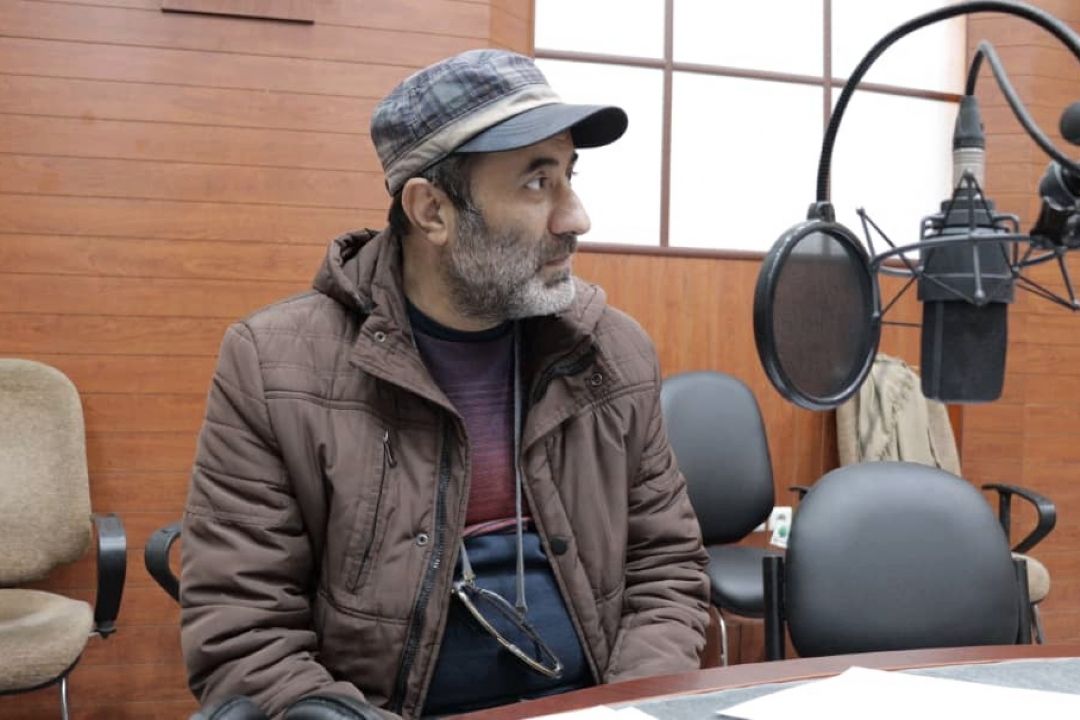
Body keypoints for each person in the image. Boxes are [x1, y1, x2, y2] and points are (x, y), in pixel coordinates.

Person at [180, 48, 710, 720]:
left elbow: (666, 570)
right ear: (431, 210)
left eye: (569, 175)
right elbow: (244, 628)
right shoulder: (273, 366)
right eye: (536, 183)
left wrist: (624, 710)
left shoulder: (612, 352)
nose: (576, 217)